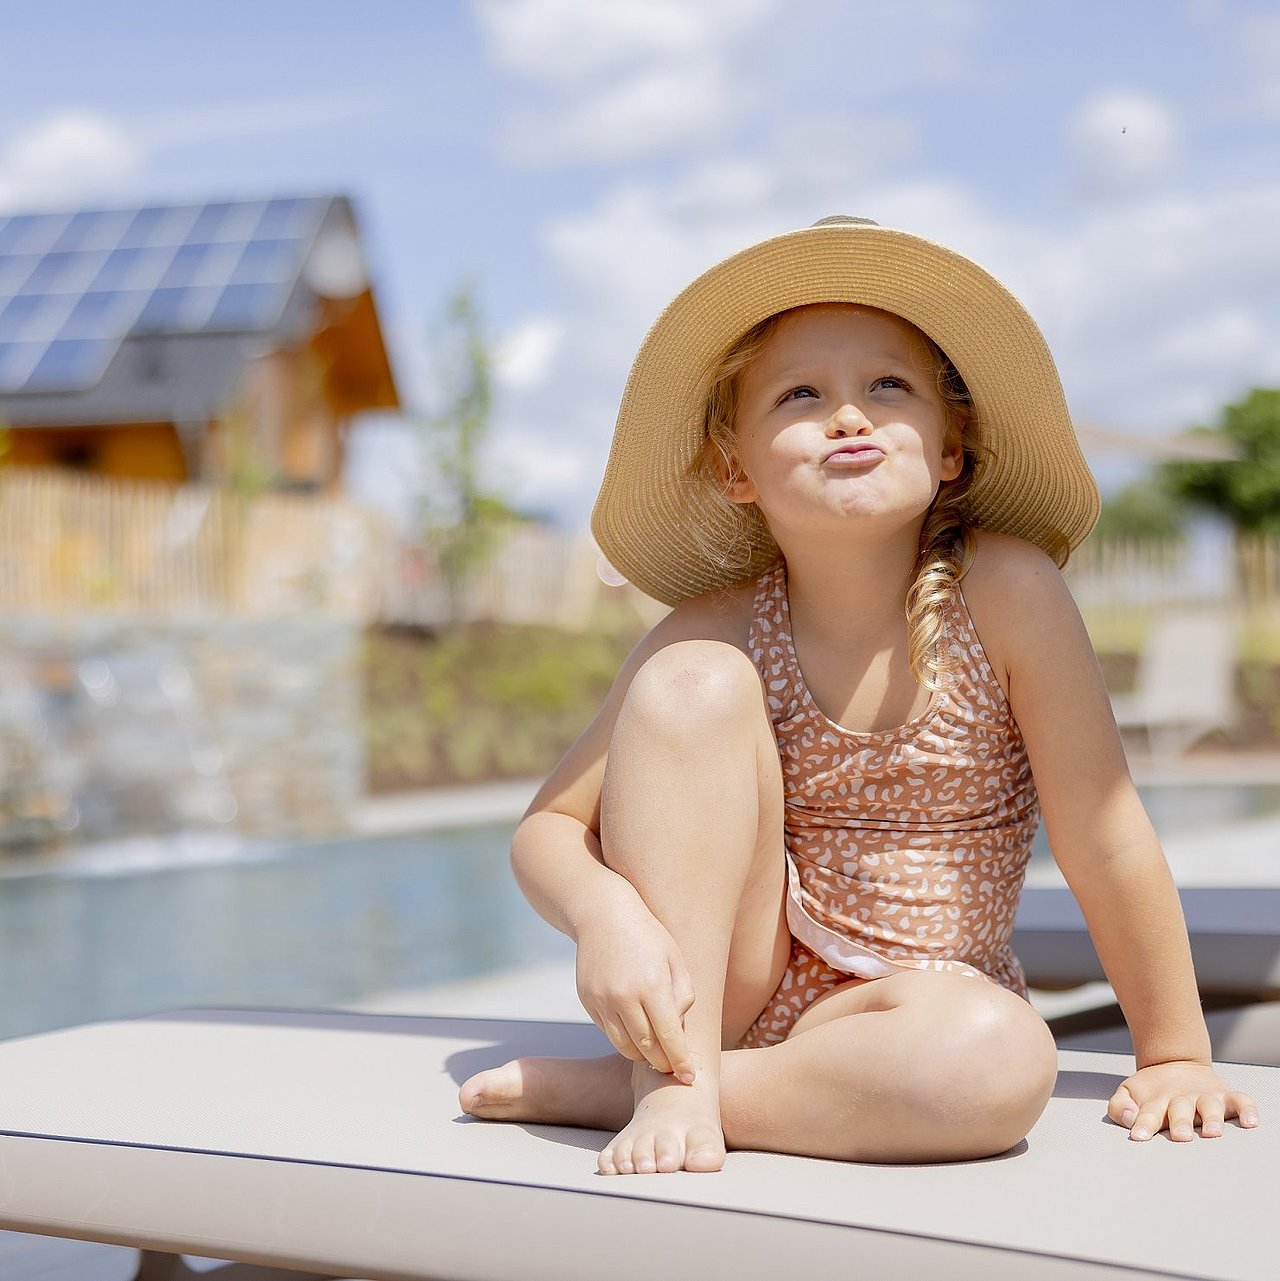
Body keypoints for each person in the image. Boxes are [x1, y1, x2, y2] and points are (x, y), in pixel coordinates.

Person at [459, 216, 1261, 1174]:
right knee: (687, 685)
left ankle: (655, 1087)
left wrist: (1174, 1052)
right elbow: (545, 830)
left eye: (889, 385)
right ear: (736, 470)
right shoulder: (713, 627)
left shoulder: (1004, 594)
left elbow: (1105, 830)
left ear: (950, 446)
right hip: (733, 993)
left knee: (999, 1058)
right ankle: (681, 1075)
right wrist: (606, 918)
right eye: (802, 394)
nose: (850, 415)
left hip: (912, 1016)